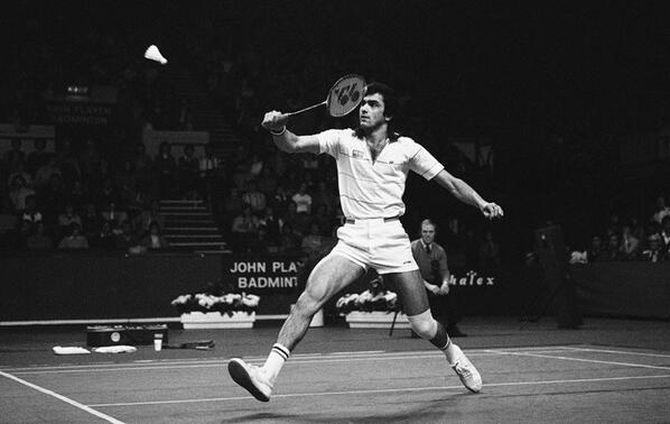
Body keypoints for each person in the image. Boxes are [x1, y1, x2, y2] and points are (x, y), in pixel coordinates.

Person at [228, 82, 503, 401]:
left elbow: (451, 184)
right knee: (308, 300)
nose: (363, 107)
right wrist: (279, 129)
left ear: (389, 114)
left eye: (372, 103)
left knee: (424, 326)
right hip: (353, 238)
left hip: (391, 238)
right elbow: (293, 144)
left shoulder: (407, 149)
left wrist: (481, 202)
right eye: (362, 103)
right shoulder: (341, 139)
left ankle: (455, 356)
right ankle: (267, 376)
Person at [410, 219, 466, 338]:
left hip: (434, 281)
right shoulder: (413, 248)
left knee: (453, 291)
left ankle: (451, 326)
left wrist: (445, 284)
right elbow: (412, 273)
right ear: (420, 233)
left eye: (430, 232)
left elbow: (444, 270)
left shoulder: (439, 250)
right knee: (417, 291)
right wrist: (429, 287)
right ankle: (418, 328)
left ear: (435, 233)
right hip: (416, 283)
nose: (428, 234)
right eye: (425, 231)